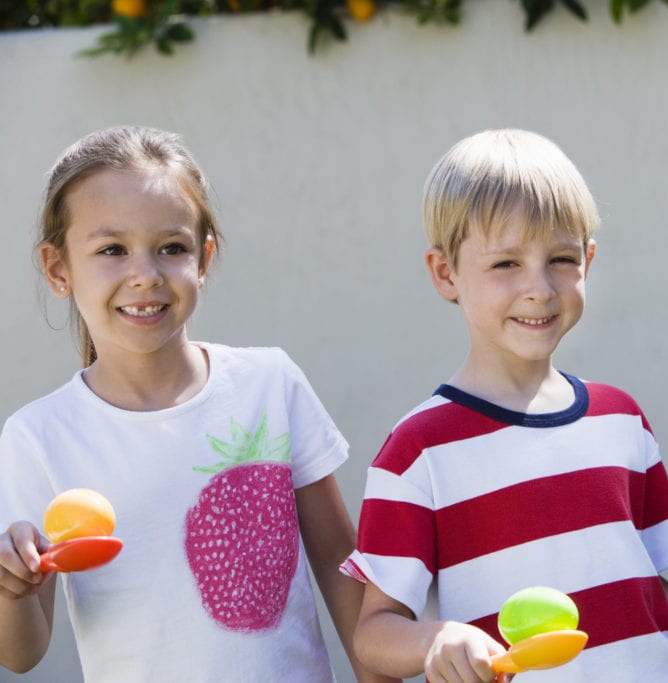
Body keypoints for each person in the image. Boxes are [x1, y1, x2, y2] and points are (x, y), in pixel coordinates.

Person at [340, 128, 668, 683]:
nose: (540, 288)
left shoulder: (621, 418)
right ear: (445, 273)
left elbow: (642, 581)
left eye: (559, 259)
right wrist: (439, 640)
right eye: (506, 264)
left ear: (588, 260)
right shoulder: (417, 451)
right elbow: (374, 634)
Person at [0, 126, 394, 683]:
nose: (146, 274)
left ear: (203, 257)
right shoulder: (36, 436)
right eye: (112, 250)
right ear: (58, 269)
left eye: (171, 248)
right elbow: (21, 654)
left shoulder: (270, 384)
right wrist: (12, 588)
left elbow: (340, 564)